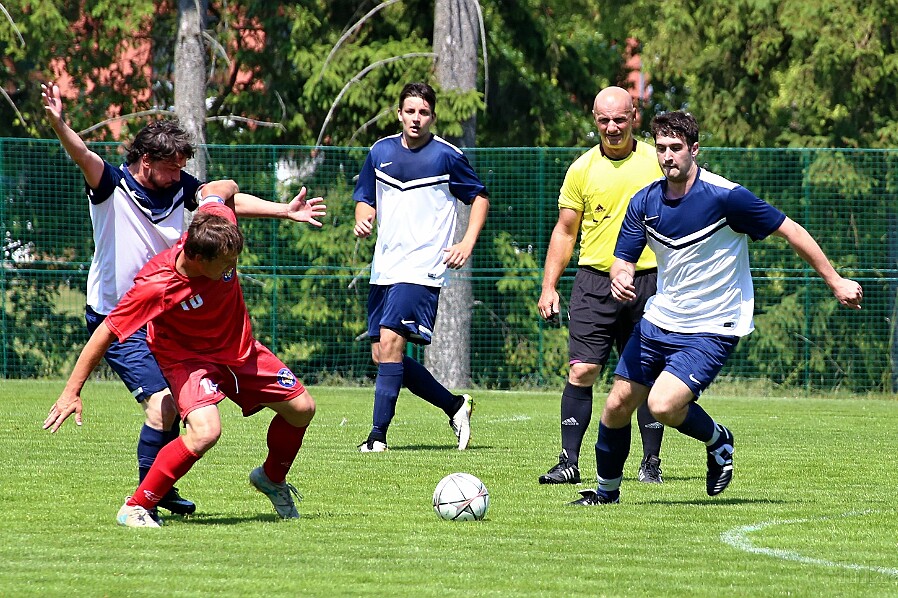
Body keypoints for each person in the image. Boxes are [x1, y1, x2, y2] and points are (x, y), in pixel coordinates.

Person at [42, 81, 324, 519]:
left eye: (182, 170)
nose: (179, 176)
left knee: (289, 408)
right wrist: (60, 124)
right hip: (127, 312)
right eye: (171, 169)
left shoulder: (185, 196)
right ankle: (145, 498)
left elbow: (221, 192)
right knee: (165, 407)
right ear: (146, 160)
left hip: (185, 312)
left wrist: (282, 210)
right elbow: (84, 155)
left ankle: (164, 488)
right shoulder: (111, 186)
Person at [570, 111, 863, 505]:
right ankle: (606, 494)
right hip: (661, 318)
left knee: (661, 405)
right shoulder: (645, 201)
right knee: (617, 404)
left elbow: (790, 230)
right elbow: (623, 259)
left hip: (714, 323)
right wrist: (620, 277)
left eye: (676, 148)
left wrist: (835, 280)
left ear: (694, 149)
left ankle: (718, 440)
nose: (668, 156)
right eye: (661, 148)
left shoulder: (726, 196)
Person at [537, 86, 666, 485]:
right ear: (595, 120)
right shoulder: (581, 169)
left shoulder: (657, 162)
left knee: (644, 377)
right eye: (604, 120)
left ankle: (650, 464)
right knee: (583, 370)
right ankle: (568, 462)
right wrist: (549, 286)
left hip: (649, 280)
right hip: (594, 282)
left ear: (634, 118)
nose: (612, 127)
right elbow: (565, 230)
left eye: (620, 119)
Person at [352, 82, 490, 452]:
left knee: (393, 341)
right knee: (382, 353)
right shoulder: (379, 151)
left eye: (423, 112)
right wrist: (363, 219)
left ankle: (377, 438)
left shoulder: (447, 156)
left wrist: (466, 242)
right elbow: (365, 197)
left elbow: (479, 197)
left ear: (433, 116)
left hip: (422, 267)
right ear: (399, 113)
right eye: (410, 111)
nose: (416, 118)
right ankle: (455, 405)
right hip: (385, 266)